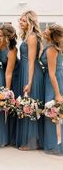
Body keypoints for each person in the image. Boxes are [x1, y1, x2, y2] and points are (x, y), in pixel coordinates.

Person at [16, 10, 44, 150]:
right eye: (20, 20)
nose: (20, 22)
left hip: (30, 72)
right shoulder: (26, 36)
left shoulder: (32, 37)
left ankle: (31, 142)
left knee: (30, 104)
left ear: (30, 22)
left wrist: (29, 81)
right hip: (24, 70)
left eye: (23, 20)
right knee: (26, 105)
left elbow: (32, 61)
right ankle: (29, 139)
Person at [0, 24, 19, 145]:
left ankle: (12, 137)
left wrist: (7, 91)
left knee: (10, 106)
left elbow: (9, 72)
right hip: (3, 75)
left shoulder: (12, 50)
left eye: (0, 35)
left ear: (7, 38)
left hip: (15, 76)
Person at [41, 24, 63, 154]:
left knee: (53, 110)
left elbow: (52, 73)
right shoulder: (50, 47)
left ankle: (55, 145)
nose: (45, 30)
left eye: (48, 29)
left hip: (54, 81)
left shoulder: (52, 49)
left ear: (52, 34)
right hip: (53, 79)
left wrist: (57, 93)